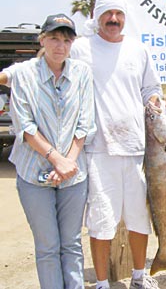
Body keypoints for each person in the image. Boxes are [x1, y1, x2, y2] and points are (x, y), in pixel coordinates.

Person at [70, 0, 162, 289]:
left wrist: (157, 101)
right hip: (98, 150)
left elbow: (150, 89)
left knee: (138, 219)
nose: (113, 19)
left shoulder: (138, 50)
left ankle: (138, 276)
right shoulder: (80, 48)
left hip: (137, 149)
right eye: (107, 14)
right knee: (101, 221)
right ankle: (100, 283)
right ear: (96, 16)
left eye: (118, 14)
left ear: (125, 17)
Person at [0, 14, 96, 288]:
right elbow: (25, 127)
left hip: (73, 175)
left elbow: (86, 124)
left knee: (72, 244)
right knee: (47, 247)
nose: (60, 46)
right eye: (54, 38)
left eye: (66, 40)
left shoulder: (82, 73)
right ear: (42, 40)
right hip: (33, 175)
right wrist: (57, 160)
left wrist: (68, 163)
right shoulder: (24, 74)